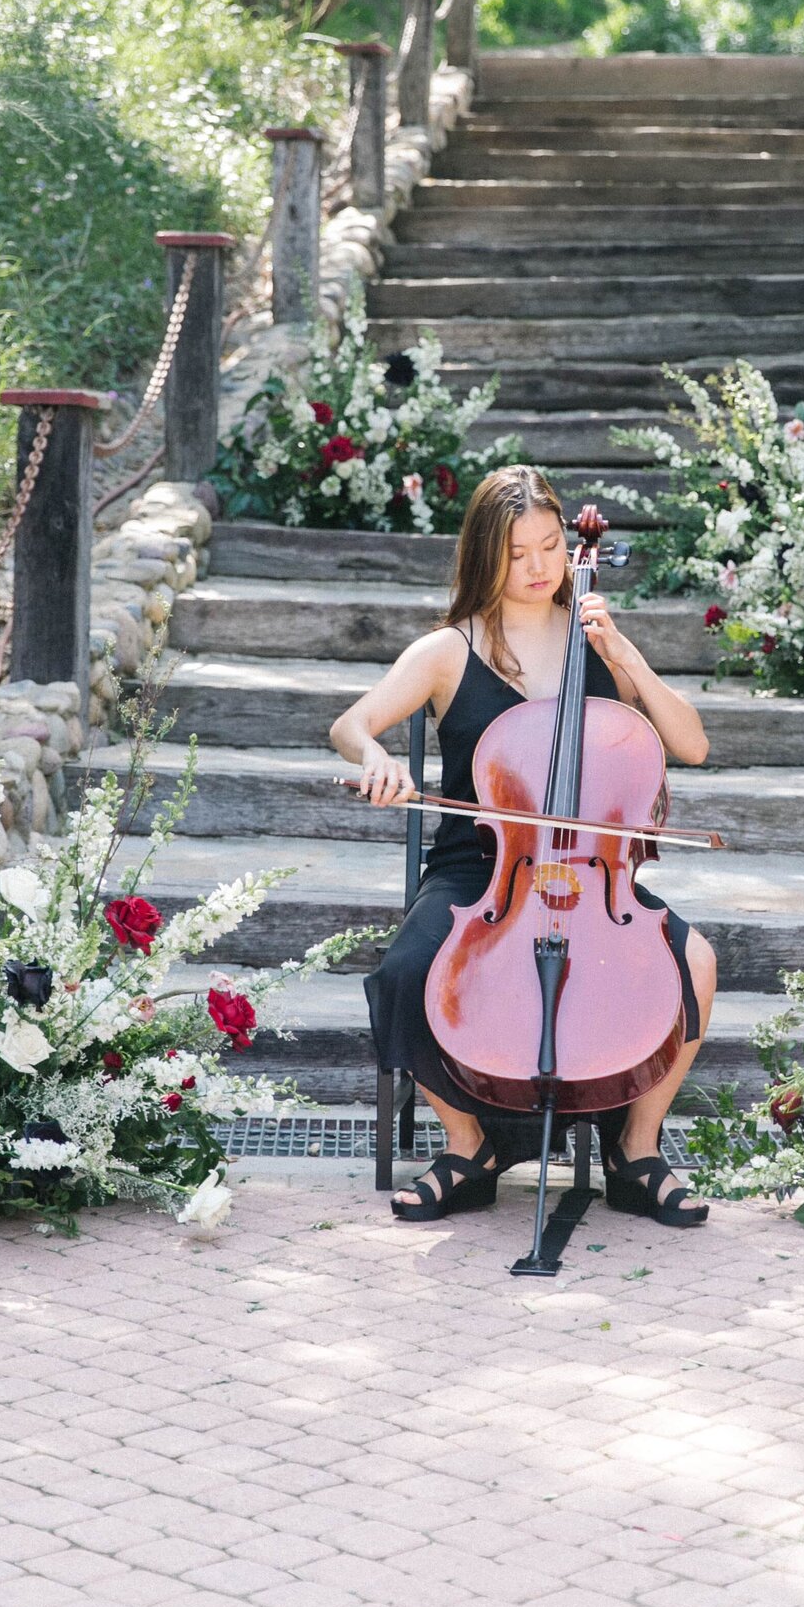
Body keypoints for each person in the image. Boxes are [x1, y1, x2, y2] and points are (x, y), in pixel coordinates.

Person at [332, 465, 716, 1229]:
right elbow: (351, 725)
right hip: (484, 869)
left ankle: (635, 1153)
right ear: (485, 557)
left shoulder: (594, 643)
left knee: (694, 961)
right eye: (519, 553)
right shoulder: (448, 651)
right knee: (406, 973)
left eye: (550, 546)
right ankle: (468, 1146)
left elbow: (691, 746)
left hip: (593, 872)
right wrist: (375, 759)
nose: (541, 567)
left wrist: (627, 657)